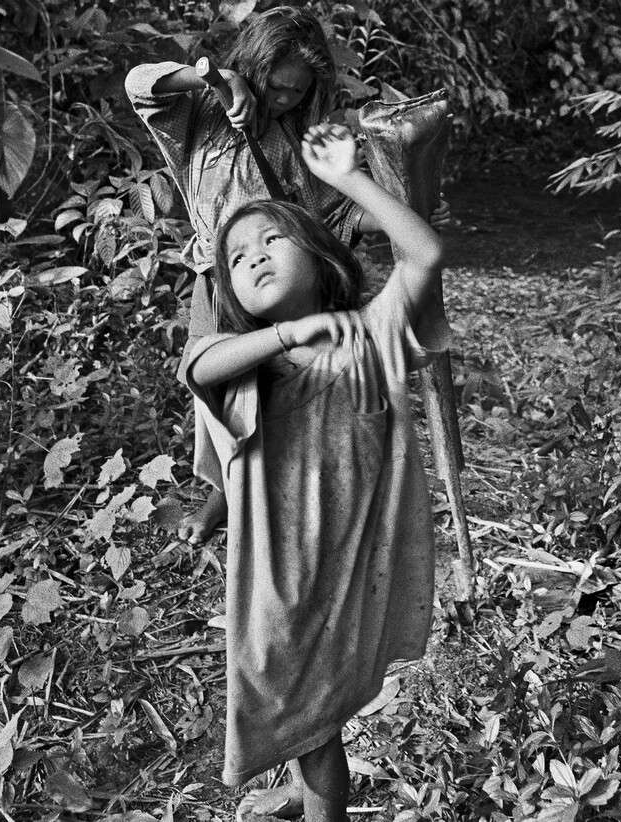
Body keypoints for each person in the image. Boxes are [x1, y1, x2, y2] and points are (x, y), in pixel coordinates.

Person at [185, 123, 446, 822]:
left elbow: (422, 254)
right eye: (238, 258)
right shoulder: (251, 361)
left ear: (323, 258)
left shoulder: (370, 334)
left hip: (352, 561)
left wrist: (349, 179)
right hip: (277, 570)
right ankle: (306, 797)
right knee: (289, 696)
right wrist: (287, 335)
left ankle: (321, 812)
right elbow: (197, 364)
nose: (256, 257)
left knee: (318, 715)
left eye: (273, 241)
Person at [125, 6, 374, 545]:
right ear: (252, 64)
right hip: (219, 279)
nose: (282, 100)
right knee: (216, 384)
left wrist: (402, 204)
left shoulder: (294, 138)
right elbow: (139, 85)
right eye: (275, 85)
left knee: (277, 388)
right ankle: (224, 493)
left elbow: (335, 214)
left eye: (297, 93)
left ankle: (291, 496)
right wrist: (213, 78)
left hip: (281, 282)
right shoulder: (196, 115)